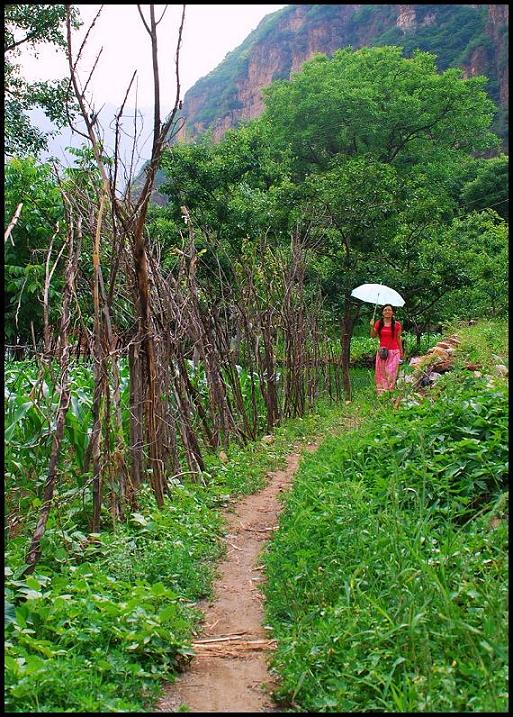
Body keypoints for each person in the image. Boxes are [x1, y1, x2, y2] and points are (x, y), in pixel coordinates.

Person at [370, 304, 404, 394]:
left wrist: (401, 352)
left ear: (393, 312)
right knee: (381, 373)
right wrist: (372, 326)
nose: (387, 311)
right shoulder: (378, 323)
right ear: (382, 312)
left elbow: (398, 339)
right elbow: (373, 336)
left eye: (389, 310)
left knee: (391, 372)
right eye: (385, 310)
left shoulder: (397, 325)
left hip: (394, 352)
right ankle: (382, 393)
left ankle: (391, 392)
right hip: (382, 352)